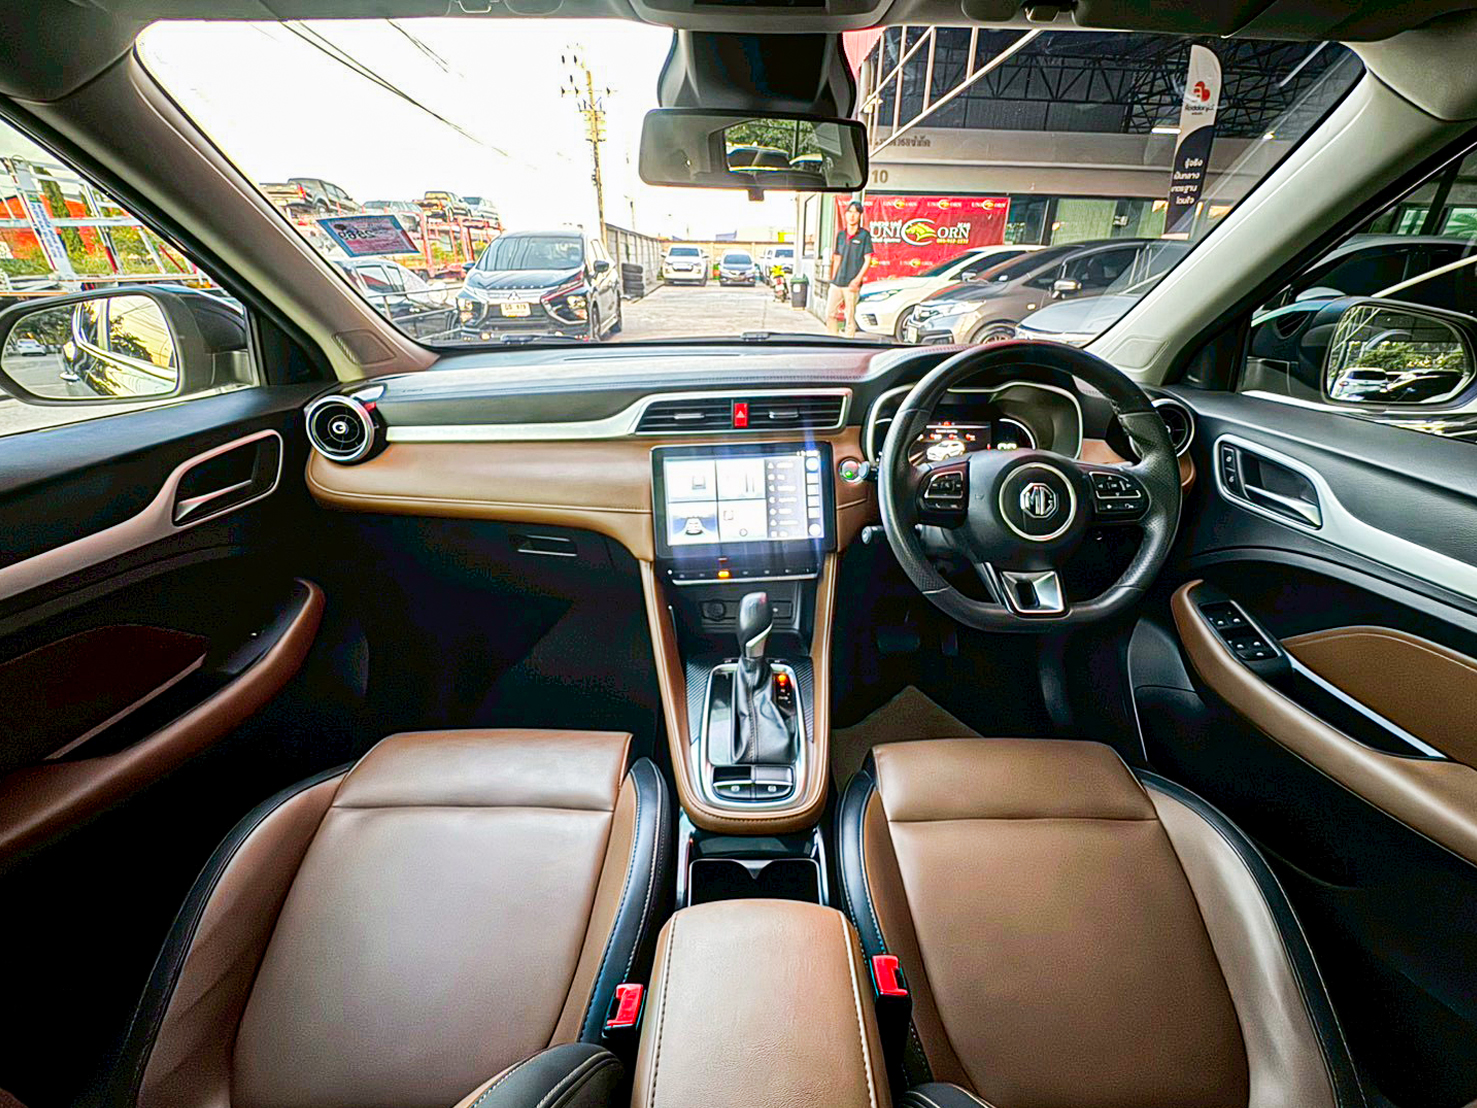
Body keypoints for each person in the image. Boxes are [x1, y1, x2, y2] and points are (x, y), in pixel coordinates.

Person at [826, 198, 873, 337]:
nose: (852, 215)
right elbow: (837, 257)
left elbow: (868, 259)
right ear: (845, 214)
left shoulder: (864, 235)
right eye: (850, 212)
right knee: (829, 314)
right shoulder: (841, 235)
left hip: (852, 283)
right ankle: (833, 340)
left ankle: (848, 343)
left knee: (850, 318)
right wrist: (833, 278)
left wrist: (857, 280)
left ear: (860, 216)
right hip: (837, 282)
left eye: (855, 213)